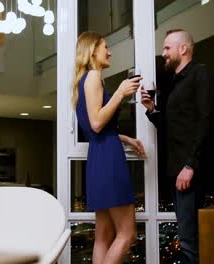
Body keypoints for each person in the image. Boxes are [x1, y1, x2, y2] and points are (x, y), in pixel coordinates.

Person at [140, 29, 214, 264]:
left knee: (189, 242)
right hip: (177, 170)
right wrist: (152, 109)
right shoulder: (175, 83)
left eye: (167, 48)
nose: (163, 53)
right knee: (187, 238)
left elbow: (206, 120)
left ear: (183, 49)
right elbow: (171, 127)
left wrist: (190, 165)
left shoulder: (200, 74)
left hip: (188, 171)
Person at [73, 31, 146, 264]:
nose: (110, 51)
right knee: (127, 233)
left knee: (103, 237)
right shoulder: (94, 77)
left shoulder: (84, 80)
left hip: (98, 157)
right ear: (93, 50)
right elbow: (96, 123)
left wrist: (126, 139)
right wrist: (120, 92)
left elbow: (99, 127)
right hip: (108, 158)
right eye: (106, 46)